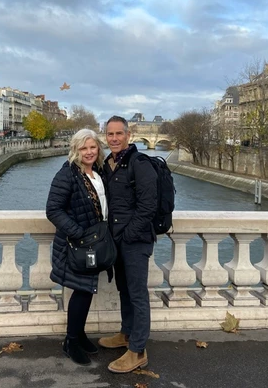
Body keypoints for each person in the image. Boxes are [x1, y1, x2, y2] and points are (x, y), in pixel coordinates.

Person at [98, 115, 157, 373]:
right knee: (124, 290)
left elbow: (148, 207)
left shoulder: (139, 164)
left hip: (135, 241)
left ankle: (138, 350)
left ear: (128, 135)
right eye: (109, 134)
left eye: (118, 134)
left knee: (137, 294)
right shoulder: (108, 164)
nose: (114, 139)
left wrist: (128, 235)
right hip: (117, 241)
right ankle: (126, 334)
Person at [46, 128, 108, 366]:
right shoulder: (67, 175)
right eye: (84, 148)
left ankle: (78, 334)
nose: (89, 152)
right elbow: (53, 210)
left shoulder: (99, 171)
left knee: (86, 289)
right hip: (76, 244)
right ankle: (71, 341)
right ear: (75, 150)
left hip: (93, 244)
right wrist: (79, 232)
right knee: (82, 291)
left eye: (92, 147)